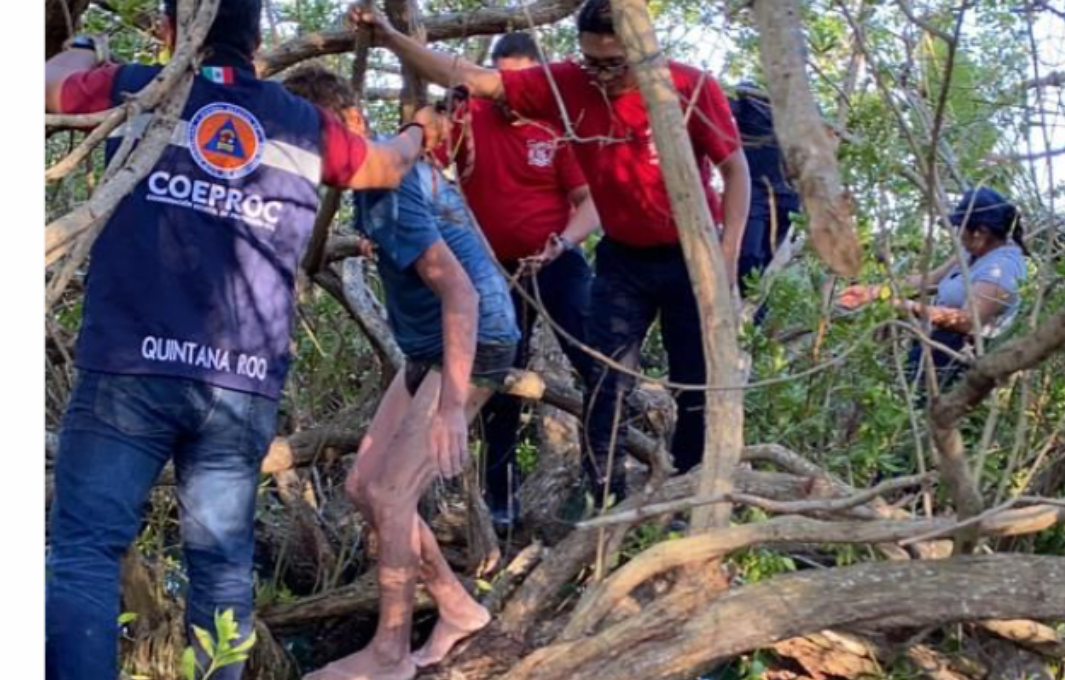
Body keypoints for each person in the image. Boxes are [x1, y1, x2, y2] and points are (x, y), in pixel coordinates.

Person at [43, 2, 430, 678]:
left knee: (86, 550)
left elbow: (43, 85)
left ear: (171, 31)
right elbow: (385, 165)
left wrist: (81, 44)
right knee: (221, 568)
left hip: (131, 365)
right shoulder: (302, 124)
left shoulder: (134, 87)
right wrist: (422, 129)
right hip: (239, 379)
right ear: (256, 43)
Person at [349, 0, 751, 508]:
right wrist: (389, 36)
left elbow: (735, 170)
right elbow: (470, 77)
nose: (601, 76)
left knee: (697, 380)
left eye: (613, 63)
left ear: (643, 51)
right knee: (607, 376)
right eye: (591, 62)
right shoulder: (567, 87)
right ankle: (605, 496)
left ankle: (693, 495)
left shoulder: (689, 87)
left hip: (690, 255)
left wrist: (727, 254)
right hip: (621, 259)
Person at [282, 68, 521, 680]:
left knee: (392, 493)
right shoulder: (382, 184)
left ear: (354, 125)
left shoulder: (384, 185)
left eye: (320, 135)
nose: (313, 151)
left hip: (471, 340)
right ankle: (456, 606)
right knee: (365, 485)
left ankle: (389, 656)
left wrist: (450, 410)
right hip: (425, 348)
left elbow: (462, 295)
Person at [439, 32, 600, 528]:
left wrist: (564, 244)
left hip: (553, 259)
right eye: (500, 77)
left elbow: (590, 202)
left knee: (596, 360)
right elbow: (424, 160)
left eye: (520, 78)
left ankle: (604, 480)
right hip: (490, 268)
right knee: (499, 376)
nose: (508, 88)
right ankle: (499, 497)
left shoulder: (558, 124)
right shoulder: (467, 115)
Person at [838, 187, 1030, 393]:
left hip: (960, 358)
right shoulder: (970, 252)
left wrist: (902, 305)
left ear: (980, 232)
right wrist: (874, 291)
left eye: (960, 227)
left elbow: (966, 321)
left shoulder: (1003, 269)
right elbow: (928, 281)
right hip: (933, 347)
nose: (957, 234)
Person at [730, 82, 801, 324]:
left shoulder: (796, 115)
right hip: (754, 194)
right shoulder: (744, 108)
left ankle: (755, 316)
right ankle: (743, 310)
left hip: (788, 198)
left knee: (768, 260)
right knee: (748, 254)